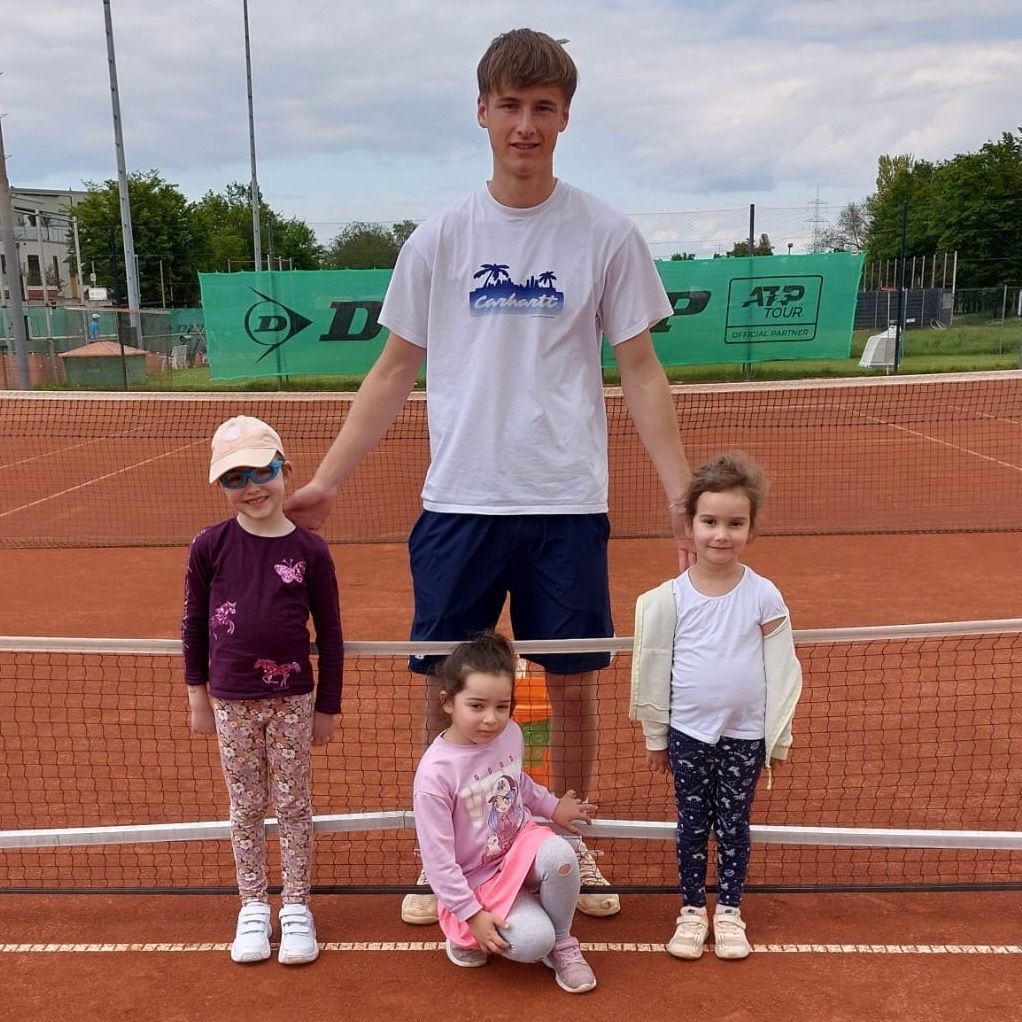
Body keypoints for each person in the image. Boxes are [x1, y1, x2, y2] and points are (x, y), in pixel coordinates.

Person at [285, 27, 692, 923]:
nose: (525, 125)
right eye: (510, 106)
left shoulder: (606, 234)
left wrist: (680, 495)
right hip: (459, 506)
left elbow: (642, 370)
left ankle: (570, 843)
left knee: (573, 687)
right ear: (482, 112)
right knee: (446, 691)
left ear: (565, 118)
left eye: (543, 107)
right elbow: (393, 369)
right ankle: (444, 856)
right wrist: (328, 481)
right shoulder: (440, 239)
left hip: (566, 505)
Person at [183, 415, 343, 965]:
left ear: (284, 470)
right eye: (235, 478)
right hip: (230, 701)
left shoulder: (311, 550)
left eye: (262, 472)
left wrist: (326, 706)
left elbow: (331, 634)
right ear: (221, 486)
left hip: (294, 700)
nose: (251, 487)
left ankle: (296, 904)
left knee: (294, 804)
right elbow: (193, 623)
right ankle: (253, 903)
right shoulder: (209, 546)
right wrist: (197, 694)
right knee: (246, 805)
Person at [629, 452, 802, 960]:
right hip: (688, 733)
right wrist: (656, 737)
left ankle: (728, 911)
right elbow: (653, 671)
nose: (721, 535)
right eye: (709, 522)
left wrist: (779, 737)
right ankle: (690, 910)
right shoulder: (668, 600)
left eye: (734, 523)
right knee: (691, 823)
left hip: (745, 736)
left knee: (732, 825)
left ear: (751, 528)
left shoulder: (764, 595)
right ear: (689, 526)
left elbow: (783, 669)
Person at [414, 631, 598, 994]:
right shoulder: (434, 776)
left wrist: (552, 806)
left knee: (563, 856)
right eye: (477, 706)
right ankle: (465, 934)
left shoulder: (510, 733)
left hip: (517, 847)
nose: (491, 719)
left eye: (502, 706)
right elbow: (438, 862)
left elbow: (517, 782)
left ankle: (563, 943)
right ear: (447, 702)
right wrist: (472, 915)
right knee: (534, 942)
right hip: (474, 879)